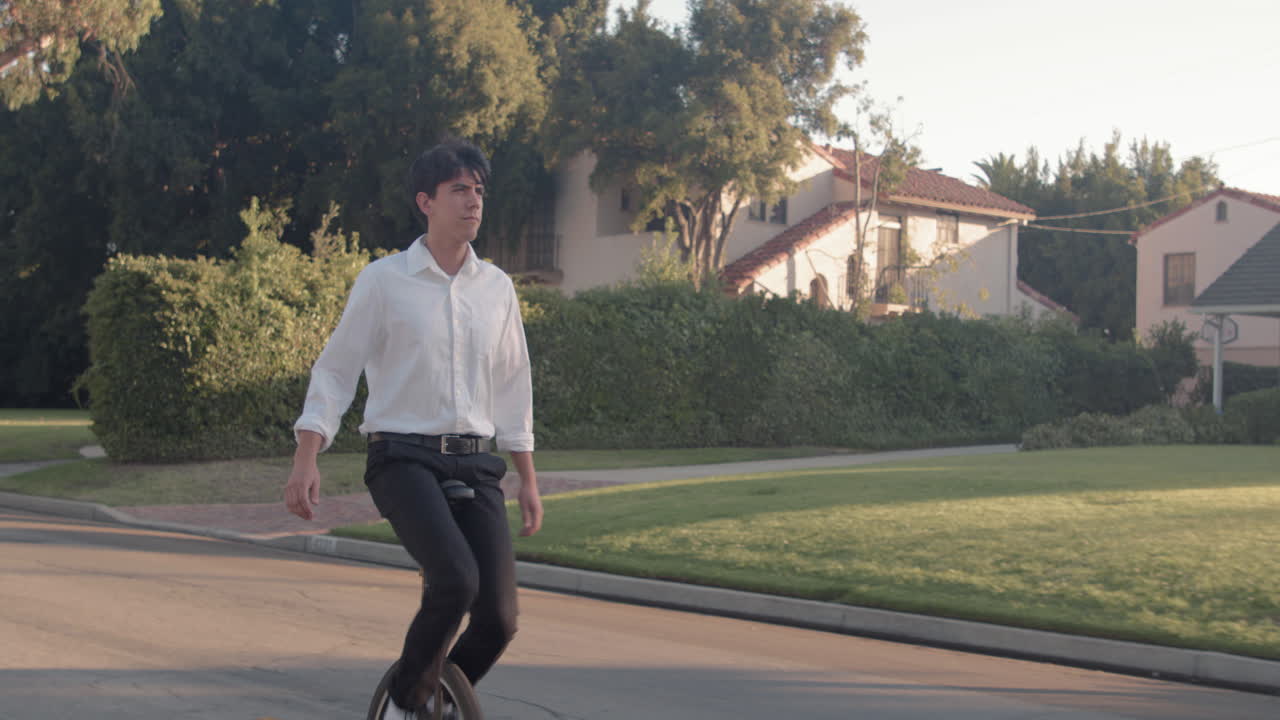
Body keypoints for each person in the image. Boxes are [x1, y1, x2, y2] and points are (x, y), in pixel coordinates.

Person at [283, 138, 543, 718]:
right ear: (426, 201)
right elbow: (336, 370)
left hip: (476, 463)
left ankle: (436, 694)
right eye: (459, 190)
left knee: (500, 618)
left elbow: (513, 385)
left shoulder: (497, 288)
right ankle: (406, 705)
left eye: (479, 190)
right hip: (403, 458)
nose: (473, 201)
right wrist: (308, 454)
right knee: (454, 580)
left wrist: (526, 477)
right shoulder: (384, 281)